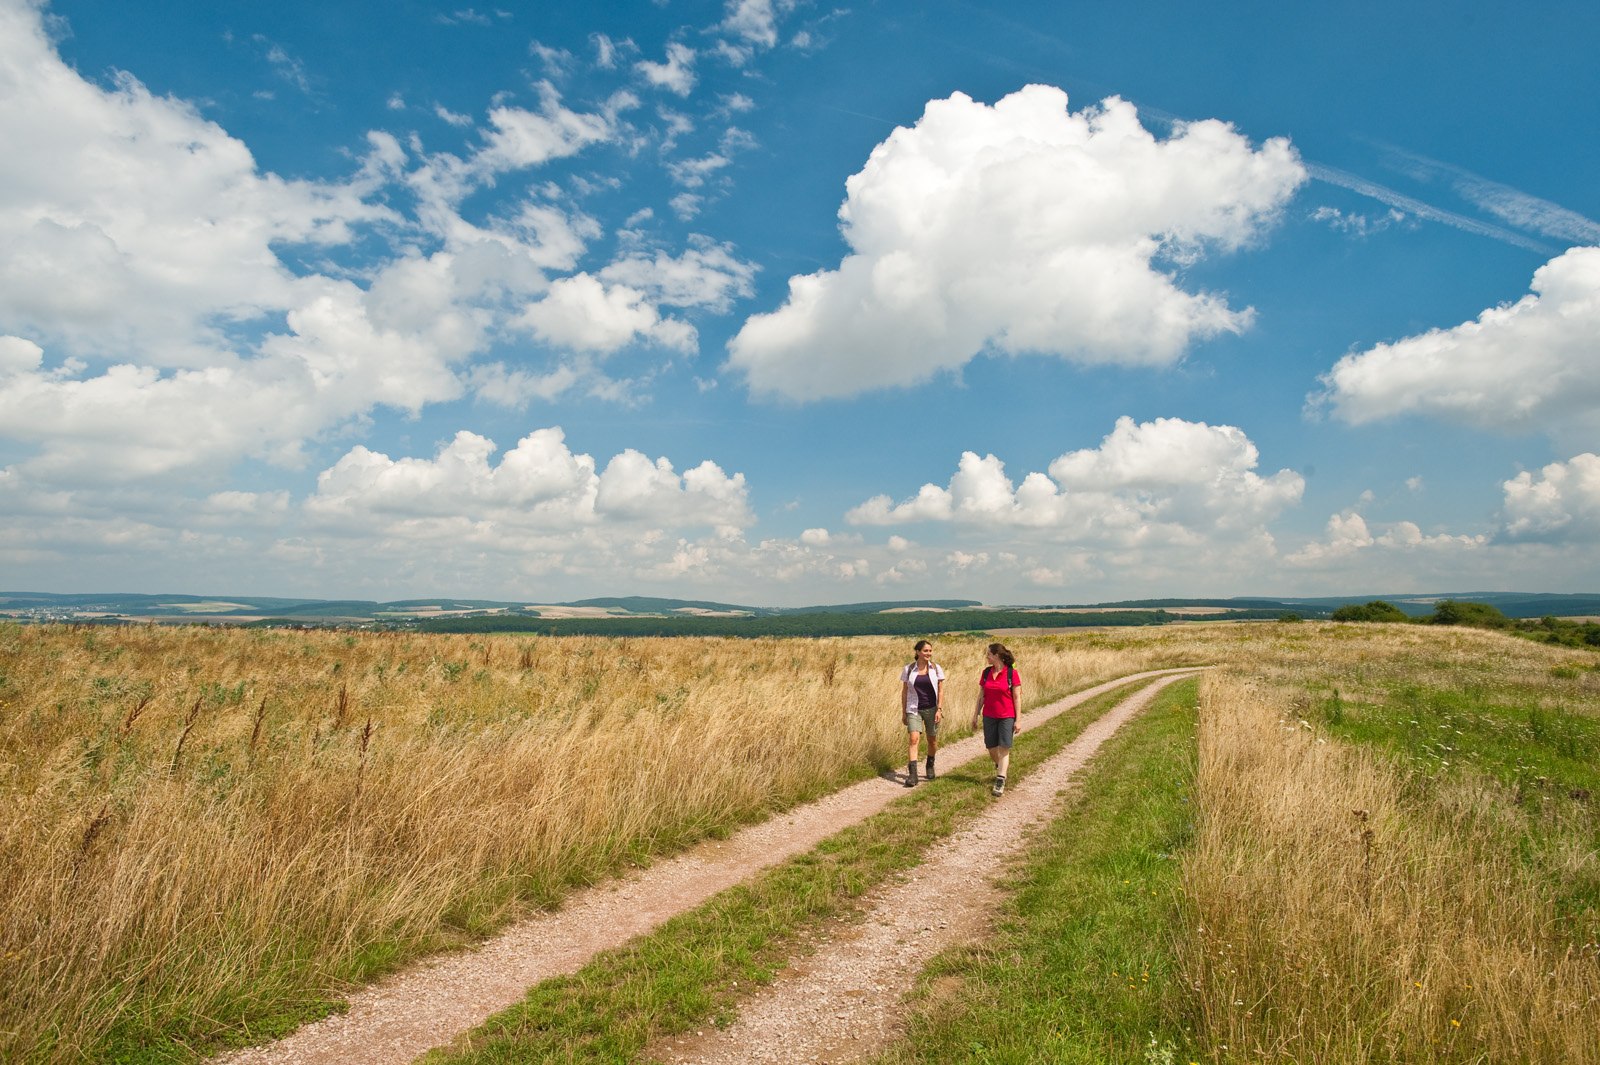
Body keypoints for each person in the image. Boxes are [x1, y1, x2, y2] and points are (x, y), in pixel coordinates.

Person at [971, 642, 1022, 796]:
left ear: (997, 656)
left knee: (1004, 747)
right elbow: (981, 695)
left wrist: (1018, 719)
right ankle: (1001, 766)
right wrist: (975, 714)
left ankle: (1000, 780)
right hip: (989, 715)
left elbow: (1017, 697)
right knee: (991, 747)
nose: (987, 656)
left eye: (989, 654)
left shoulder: (1011, 673)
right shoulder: (986, 672)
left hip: (1007, 716)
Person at [898, 639, 945, 786]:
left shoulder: (936, 668)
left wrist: (939, 709)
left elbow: (941, 690)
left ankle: (930, 764)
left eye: (930, 651)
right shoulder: (908, 669)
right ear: (918, 652)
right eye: (925, 651)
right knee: (913, 739)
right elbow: (904, 692)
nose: (928, 653)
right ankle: (913, 775)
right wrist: (904, 712)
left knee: (932, 740)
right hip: (914, 709)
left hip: (932, 709)